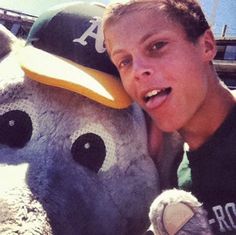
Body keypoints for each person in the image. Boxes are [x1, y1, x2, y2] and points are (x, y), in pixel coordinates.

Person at [102, 0, 236, 234]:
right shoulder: (177, 179)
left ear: (206, 45)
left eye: (157, 46)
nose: (137, 71)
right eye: (124, 61)